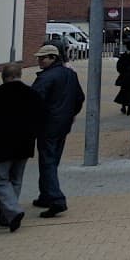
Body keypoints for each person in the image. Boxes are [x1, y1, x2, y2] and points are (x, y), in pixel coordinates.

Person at [0, 63, 45, 232]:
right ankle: (7, 216)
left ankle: (13, 211)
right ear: (19, 75)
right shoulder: (32, 95)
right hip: (23, 145)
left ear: (4, 77)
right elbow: (40, 120)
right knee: (15, 180)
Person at [30, 43, 85, 218]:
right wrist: (71, 114)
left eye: (43, 58)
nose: (39, 60)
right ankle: (46, 194)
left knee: (47, 161)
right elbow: (79, 97)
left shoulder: (46, 78)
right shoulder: (70, 74)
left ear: (53, 58)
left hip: (48, 125)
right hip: (63, 124)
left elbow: (34, 101)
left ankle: (55, 198)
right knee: (52, 160)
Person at [114, 36, 130, 115]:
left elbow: (119, 67)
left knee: (124, 92)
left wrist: (122, 72)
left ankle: (124, 107)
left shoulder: (124, 56)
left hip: (124, 78)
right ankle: (129, 109)